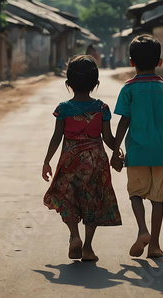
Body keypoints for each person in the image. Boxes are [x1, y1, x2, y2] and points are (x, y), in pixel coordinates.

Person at [112, 34, 163, 259]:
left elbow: (124, 121)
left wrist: (115, 150)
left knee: (135, 193)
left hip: (137, 152)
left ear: (131, 62)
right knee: (158, 199)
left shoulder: (129, 89)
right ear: (160, 62)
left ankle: (142, 230)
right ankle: (154, 245)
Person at [42, 55, 123, 262]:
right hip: (96, 161)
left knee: (67, 197)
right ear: (96, 83)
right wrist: (117, 152)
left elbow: (56, 137)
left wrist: (47, 161)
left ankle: (74, 235)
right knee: (92, 200)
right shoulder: (101, 108)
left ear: (68, 83)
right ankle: (87, 247)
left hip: (70, 161)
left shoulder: (63, 109)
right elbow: (108, 138)